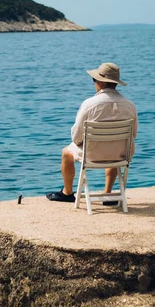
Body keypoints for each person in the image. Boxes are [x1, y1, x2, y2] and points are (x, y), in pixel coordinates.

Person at [46, 62, 138, 204]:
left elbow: (76, 138)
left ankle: (67, 192)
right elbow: (134, 134)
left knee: (66, 153)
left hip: (92, 155)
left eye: (94, 79)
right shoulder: (129, 105)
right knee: (114, 146)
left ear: (100, 82)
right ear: (115, 83)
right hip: (121, 154)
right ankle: (107, 193)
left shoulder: (90, 104)